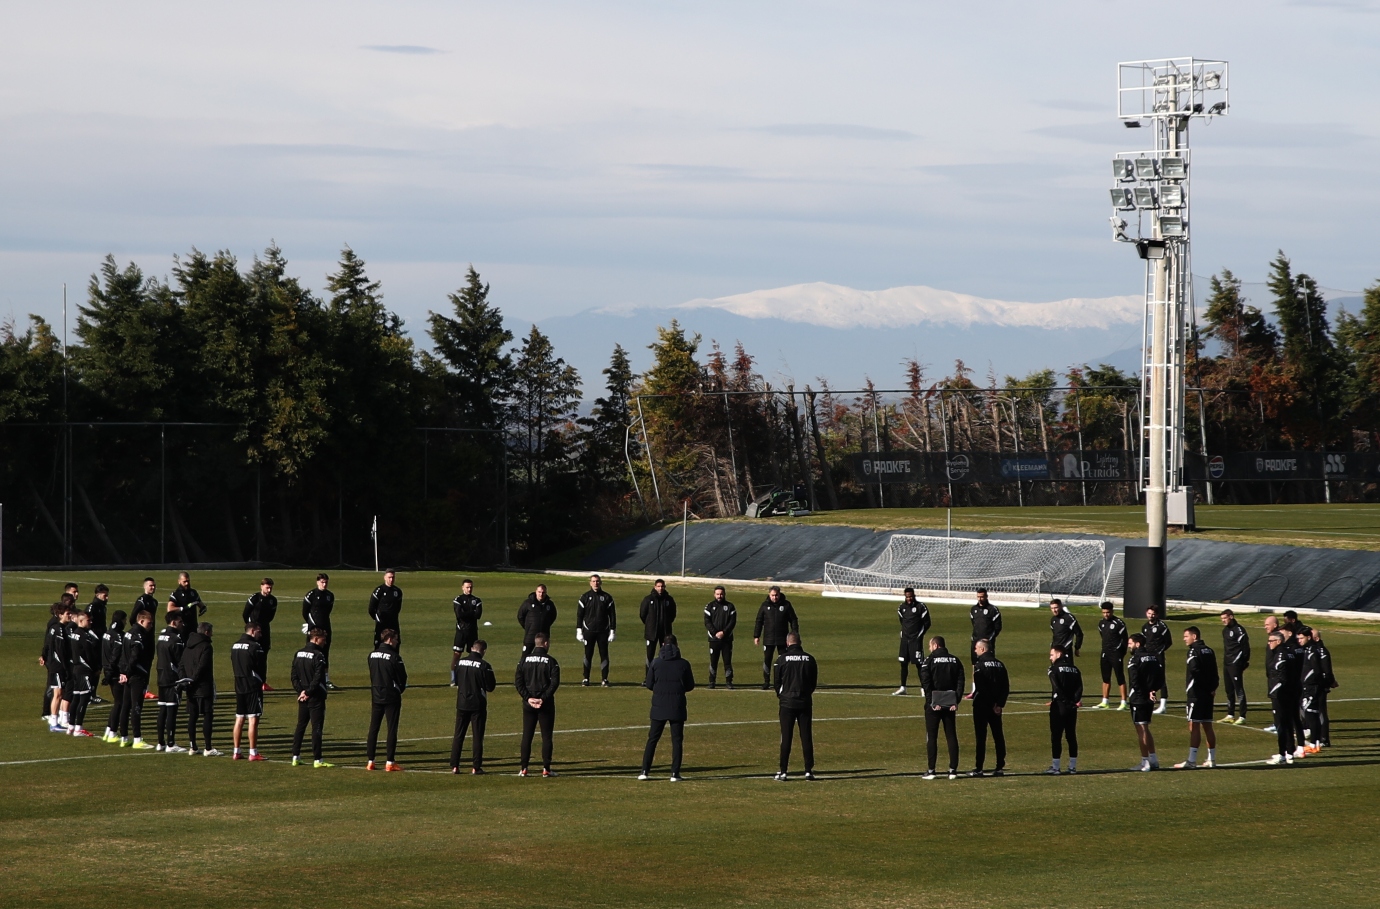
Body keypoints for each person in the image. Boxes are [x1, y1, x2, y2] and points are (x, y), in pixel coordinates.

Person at [640, 634, 696, 781]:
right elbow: (690, 685)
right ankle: (674, 773)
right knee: (676, 741)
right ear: (677, 646)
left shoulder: (655, 663)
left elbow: (649, 684)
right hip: (677, 706)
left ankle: (644, 771)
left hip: (658, 706)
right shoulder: (684, 664)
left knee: (652, 739)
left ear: (663, 645)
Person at [515, 632, 561, 777]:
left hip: (528, 704)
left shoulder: (523, 660)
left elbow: (518, 682)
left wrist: (528, 698)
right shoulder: (551, 661)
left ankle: (524, 768)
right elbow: (554, 683)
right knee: (546, 736)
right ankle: (546, 768)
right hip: (545, 704)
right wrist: (543, 698)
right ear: (545, 643)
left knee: (527, 736)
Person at [773, 631, 817, 781]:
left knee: (786, 737)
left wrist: (782, 696)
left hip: (787, 703)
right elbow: (813, 683)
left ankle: (783, 771)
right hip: (805, 702)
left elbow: (777, 683)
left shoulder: (781, 659)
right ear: (800, 642)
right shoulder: (810, 659)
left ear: (787, 643)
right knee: (806, 736)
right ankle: (808, 770)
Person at [919, 635, 964, 780]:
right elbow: (960, 681)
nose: (929, 648)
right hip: (950, 703)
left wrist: (932, 701)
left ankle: (931, 770)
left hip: (935, 704)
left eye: (930, 646)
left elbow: (926, 683)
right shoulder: (955, 660)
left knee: (932, 737)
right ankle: (953, 770)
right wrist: (955, 700)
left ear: (936, 646)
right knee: (951, 735)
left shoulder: (929, 660)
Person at [1174, 626, 1219, 770]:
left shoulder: (1193, 651)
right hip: (1208, 694)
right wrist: (1212, 688)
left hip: (1196, 694)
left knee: (1194, 725)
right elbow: (1215, 672)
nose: (1184, 639)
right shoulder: (1209, 650)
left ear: (1194, 636)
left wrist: (1204, 688)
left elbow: (1195, 671)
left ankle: (1192, 760)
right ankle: (1211, 759)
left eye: (1186, 636)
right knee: (1208, 725)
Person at [366, 628, 408, 771]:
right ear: (390, 639)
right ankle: (390, 762)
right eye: (396, 639)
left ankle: (370, 760)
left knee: (373, 728)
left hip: (376, 694)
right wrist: (399, 689)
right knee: (391, 728)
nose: (397, 642)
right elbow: (402, 677)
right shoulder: (394, 656)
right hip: (391, 695)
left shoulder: (371, 655)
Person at [452, 640, 497, 774]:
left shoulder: (459, 663)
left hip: (462, 702)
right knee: (477, 736)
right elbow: (490, 687)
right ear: (483, 651)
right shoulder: (485, 665)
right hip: (477, 704)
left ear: (472, 648)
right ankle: (476, 766)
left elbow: (457, 681)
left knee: (458, 734)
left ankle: (455, 765)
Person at [290, 627, 332, 768]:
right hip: (315, 697)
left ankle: (295, 756)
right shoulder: (318, 655)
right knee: (317, 727)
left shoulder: (298, 653)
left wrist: (301, 691)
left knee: (300, 726)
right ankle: (317, 759)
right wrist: (308, 692)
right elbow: (318, 678)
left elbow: (294, 676)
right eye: (323, 639)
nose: (324, 642)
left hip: (302, 697)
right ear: (315, 639)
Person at [969, 638, 1008, 777]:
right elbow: (1005, 687)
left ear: (983, 649)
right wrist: (999, 704)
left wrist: (991, 703)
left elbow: (981, 686)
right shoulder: (1000, 665)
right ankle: (999, 767)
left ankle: (979, 768)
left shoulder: (979, 665)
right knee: (998, 736)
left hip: (982, 705)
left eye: (976, 648)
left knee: (981, 737)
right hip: (996, 707)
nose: (975, 650)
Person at [118, 609, 156, 749]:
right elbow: (134, 657)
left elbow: (123, 654)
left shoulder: (128, 633)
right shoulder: (138, 635)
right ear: (141, 621)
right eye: (149, 623)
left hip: (128, 674)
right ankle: (137, 739)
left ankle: (124, 738)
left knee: (126, 706)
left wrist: (123, 672)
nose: (151, 626)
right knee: (136, 706)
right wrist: (127, 672)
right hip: (137, 675)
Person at [180, 622, 219, 756]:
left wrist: (186, 681)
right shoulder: (206, 646)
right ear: (207, 632)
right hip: (203, 687)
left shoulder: (188, 646)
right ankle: (208, 748)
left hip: (190, 688)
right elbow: (203, 666)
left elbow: (182, 665)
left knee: (193, 716)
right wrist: (194, 680)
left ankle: (193, 746)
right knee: (207, 715)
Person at [1265, 630, 1302, 765]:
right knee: (1288, 723)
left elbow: (1281, 678)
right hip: (1292, 693)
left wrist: (1273, 692)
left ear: (1279, 641)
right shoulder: (1290, 653)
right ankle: (1290, 752)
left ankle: (1282, 754)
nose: (1269, 644)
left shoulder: (1280, 655)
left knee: (1281, 724)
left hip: (1281, 695)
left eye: (1271, 641)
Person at [231, 623, 266, 761]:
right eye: (259, 631)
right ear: (252, 631)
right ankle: (253, 752)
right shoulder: (255, 647)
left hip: (239, 684)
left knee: (239, 718)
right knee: (253, 719)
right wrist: (261, 681)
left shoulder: (235, 645)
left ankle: (236, 751)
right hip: (252, 686)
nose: (260, 634)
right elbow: (261, 667)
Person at [1127, 633, 1163, 771]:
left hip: (1138, 699)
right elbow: (1160, 677)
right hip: (1149, 698)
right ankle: (1153, 759)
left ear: (1137, 644)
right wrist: (1153, 690)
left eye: (1130, 644)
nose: (1128, 646)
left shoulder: (1134, 660)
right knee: (1146, 729)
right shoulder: (1154, 658)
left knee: (1141, 730)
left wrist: (1142, 693)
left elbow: (1134, 680)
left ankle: (1145, 762)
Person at [154, 611, 188, 752]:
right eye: (180, 621)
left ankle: (160, 742)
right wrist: (183, 679)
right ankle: (171, 744)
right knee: (171, 711)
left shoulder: (161, 637)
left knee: (162, 710)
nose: (182, 624)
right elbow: (180, 661)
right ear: (173, 622)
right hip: (172, 678)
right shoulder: (176, 639)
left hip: (161, 676)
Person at [755, 586, 800, 691]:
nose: (774, 597)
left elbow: (793, 619)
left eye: (776, 595)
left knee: (783, 660)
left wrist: (794, 634)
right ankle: (766, 682)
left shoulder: (786, 605)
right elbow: (759, 621)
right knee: (767, 660)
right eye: (772, 595)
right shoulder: (764, 606)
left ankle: (783, 681)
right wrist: (756, 635)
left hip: (782, 639)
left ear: (779, 595)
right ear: (769, 595)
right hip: (768, 639)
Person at [1046, 645, 1083, 775]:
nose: (1050, 657)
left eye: (1052, 655)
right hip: (1072, 707)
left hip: (1060, 706)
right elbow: (1079, 688)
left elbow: (1056, 687)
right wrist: (1074, 701)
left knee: (1056, 736)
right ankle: (1072, 767)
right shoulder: (1075, 669)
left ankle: (1056, 767)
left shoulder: (1053, 669)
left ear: (1059, 654)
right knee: (1071, 735)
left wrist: (1063, 701)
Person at [65, 611, 102, 738]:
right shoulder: (84, 636)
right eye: (88, 620)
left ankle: (71, 726)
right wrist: (96, 668)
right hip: (85, 670)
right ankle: (78, 728)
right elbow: (89, 655)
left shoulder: (75, 634)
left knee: (76, 698)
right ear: (80, 621)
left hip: (76, 669)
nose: (90, 622)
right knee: (84, 699)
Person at [576, 574, 615, 687]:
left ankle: (605, 679)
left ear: (600, 582)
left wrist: (612, 630)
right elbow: (580, 615)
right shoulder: (585, 597)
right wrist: (579, 630)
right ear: (590, 583)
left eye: (597, 581)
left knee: (604, 654)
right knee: (588, 654)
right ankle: (586, 678)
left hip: (603, 631)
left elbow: (612, 615)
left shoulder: (607, 597)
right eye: (593, 581)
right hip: (588, 631)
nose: (595, 583)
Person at [893, 588, 932, 696]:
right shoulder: (902, 608)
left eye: (910, 596)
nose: (909, 598)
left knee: (919, 665)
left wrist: (919, 636)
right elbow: (902, 621)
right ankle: (903, 687)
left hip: (916, 641)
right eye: (907, 596)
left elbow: (927, 623)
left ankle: (923, 688)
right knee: (903, 664)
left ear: (914, 595)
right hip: (905, 640)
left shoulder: (921, 607)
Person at [243, 578, 279, 690]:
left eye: (271, 588)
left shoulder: (273, 600)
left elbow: (271, 616)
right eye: (267, 587)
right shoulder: (255, 598)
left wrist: (263, 626)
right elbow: (245, 613)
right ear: (261, 586)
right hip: (253, 631)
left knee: (263, 655)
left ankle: (262, 682)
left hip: (265, 630)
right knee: (251, 655)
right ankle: (250, 680)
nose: (269, 590)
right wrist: (251, 626)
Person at [302, 573, 336, 689]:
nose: (324, 584)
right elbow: (305, 612)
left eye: (326, 582)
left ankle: (326, 680)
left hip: (326, 628)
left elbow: (328, 611)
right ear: (317, 582)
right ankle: (309, 678)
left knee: (325, 654)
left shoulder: (330, 596)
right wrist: (311, 625)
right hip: (313, 630)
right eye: (322, 582)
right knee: (311, 653)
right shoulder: (311, 595)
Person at [1093, 602, 1128, 710]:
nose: (1106, 614)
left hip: (1116, 653)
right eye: (1104, 612)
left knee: (1120, 677)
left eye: (1108, 612)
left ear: (1112, 611)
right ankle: (1105, 701)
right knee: (1105, 677)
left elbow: (1125, 640)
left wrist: (1120, 653)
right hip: (1105, 653)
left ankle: (1123, 702)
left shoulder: (1119, 623)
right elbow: (1103, 637)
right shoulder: (1101, 623)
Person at [101, 610, 129, 743]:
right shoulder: (118, 636)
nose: (125, 623)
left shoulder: (107, 633)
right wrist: (111, 673)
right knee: (120, 703)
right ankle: (112, 732)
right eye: (124, 620)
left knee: (117, 702)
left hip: (108, 671)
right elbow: (115, 656)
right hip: (115, 673)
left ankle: (108, 730)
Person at [40, 602, 69, 728]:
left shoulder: (54, 628)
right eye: (67, 613)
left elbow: (47, 645)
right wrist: (67, 666)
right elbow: (61, 651)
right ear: (60, 614)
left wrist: (44, 656)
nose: (70, 615)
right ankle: (53, 722)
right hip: (58, 666)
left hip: (54, 664)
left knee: (59, 693)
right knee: (57, 694)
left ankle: (56, 720)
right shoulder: (59, 629)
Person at [450, 579, 483, 687]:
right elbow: (459, 615)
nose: (469, 589)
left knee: (473, 655)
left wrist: (467, 613)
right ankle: (453, 678)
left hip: (472, 632)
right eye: (467, 587)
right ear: (462, 587)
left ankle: (471, 678)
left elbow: (478, 615)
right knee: (456, 655)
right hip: (461, 632)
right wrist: (471, 613)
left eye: (471, 587)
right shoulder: (458, 599)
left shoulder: (477, 600)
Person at [1220, 608, 1250, 724]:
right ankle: (1230, 714)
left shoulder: (1239, 630)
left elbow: (1245, 648)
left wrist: (1243, 662)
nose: (1223, 621)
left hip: (1236, 664)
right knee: (1229, 690)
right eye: (1222, 619)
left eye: (1225, 618)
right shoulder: (1225, 631)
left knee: (1239, 690)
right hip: (1227, 664)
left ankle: (1242, 716)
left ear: (1231, 617)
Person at [703, 586, 737, 689]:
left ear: (724, 594)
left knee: (727, 661)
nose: (719, 596)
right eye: (717, 594)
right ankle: (712, 681)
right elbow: (707, 622)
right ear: (714, 594)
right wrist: (715, 633)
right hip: (713, 639)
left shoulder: (730, 606)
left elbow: (732, 622)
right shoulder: (709, 606)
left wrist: (724, 632)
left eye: (721, 594)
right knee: (713, 661)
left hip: (726, 639)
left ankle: (729, 682)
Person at [639, 579, 677, 669]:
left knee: (665, 654)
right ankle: (648, 678)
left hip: (665, 633)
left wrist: (667, 623)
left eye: (662, 586)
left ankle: (663, 676)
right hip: (651, 633)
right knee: (650, 655)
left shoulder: (669, 599)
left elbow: (673, 614)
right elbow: (642, 614)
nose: (660, 588)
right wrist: (649, 624)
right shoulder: (648, 599)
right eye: (659, 586)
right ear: (655, 587)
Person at [1142, 606, 1172, 713]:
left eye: (1153, 614)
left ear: (1157, 615)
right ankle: (1150, 701)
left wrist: (1159, 652)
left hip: (1158, 657)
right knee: (1149, 679)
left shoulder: (1162, 626)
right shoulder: (1145, 627)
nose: (1151, 616)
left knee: (1161, 679)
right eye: (1149, 613)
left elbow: (1168, 642)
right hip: (1148, 657)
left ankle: (1163, 705)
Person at [84, 585, 110, 706]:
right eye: (105, 595)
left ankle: (92, 693)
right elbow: (87, 624)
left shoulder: (102, 607)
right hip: (94, 643)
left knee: (98, 668)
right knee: (93, 667)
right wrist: (95, 638)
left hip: (101, 641)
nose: (107, 597)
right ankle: (88, 694)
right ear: (97, 594)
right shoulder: (92, 607)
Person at [517, 584, 557, 658]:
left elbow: (553, 616)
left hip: (543, 635)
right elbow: (520, 616)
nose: (541, 594)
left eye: (543, 592)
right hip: (530, 635)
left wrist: (546, 625)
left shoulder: (550, 604)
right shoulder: (528, 603)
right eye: (539, 592)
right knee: (525, 656)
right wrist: (528, 627)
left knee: (542, 657)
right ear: (536, 592)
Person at [368, 570, 403, 648]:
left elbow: (398, 607)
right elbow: (371, 608)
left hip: (393, 623)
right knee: (379, 645)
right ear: (385, 577)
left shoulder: (397, 591)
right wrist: (377, 618)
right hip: (382, 624)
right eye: (389, 577)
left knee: (395, 644)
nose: (391, 579)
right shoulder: (379, 590)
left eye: (393, 577)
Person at [969, 588, 1003, 661]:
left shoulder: (993, 610)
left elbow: (998, 627)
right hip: (975, 640)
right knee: (974, 662)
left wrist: (989, 638)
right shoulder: (973, 609)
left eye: (982, 597)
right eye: (978, 597)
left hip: (988, 641)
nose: (980, 599)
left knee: (988, 661)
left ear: (986, 596)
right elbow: (974, 624)